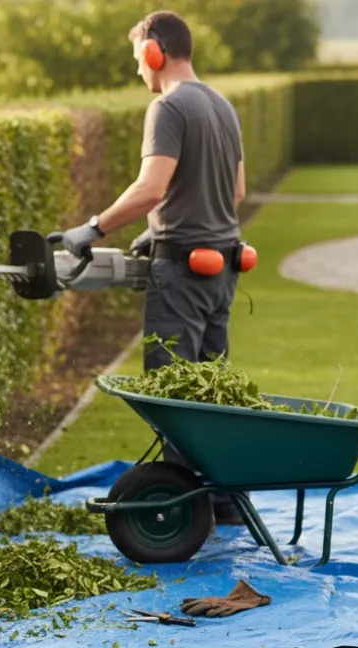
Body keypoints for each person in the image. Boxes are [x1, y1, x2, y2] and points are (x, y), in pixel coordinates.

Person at [52, 10, 248, 525]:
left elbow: (152, 188)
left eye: (138, 57)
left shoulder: (169, 107)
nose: (139, 69)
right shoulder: (222, 106)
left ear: (153, 51)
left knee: (175, 400)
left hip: (183, 276)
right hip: (222, 269)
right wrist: (162, 228)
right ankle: (223, 501)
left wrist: (91, 229)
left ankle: (178, 516)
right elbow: (236, 193)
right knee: (210, 393)